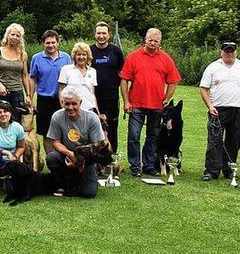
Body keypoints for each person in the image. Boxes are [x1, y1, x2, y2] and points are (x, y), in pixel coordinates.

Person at [120, 28, 181, 177]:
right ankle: (135, 166)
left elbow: (173, 81)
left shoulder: (166, 59)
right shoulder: (133, 57)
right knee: (134, 136)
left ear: (160, 42)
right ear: (145, 40)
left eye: (156, 41)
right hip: (136, 105)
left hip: (157, 106)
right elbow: (124, 80)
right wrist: (126, 101)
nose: (152, 43)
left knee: (153, 137)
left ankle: (148, 165)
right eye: (150, 40)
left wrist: (166, 99)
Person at [200, 41, 240, 181]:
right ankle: (211, 171)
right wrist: (210, 106)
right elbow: (203, 88)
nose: (229, 53)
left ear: (236, 52)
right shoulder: (213, 67)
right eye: (227, 51)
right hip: (217, 110)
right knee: (214, 141)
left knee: (234, 140)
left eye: (232, 51)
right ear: (221, 52)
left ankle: (229, 170)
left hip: (238, 109)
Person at [45, 88, 106, 198]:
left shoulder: (92, 118)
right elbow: (56, 143)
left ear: (80, 103)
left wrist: (80, 159)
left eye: (74, 104)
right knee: (51, 157)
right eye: (67, 104)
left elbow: (96, 144)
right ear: (62, 103)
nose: (70, 107)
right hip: (66, 155)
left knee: (89, 193)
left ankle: (81, 180)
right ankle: (62, 185)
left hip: (87, 157)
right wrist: (71, 155)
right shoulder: (57, 117)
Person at [29, 29, 72, 153]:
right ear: (43, 44)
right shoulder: (37, 58)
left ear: (58, 43)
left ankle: (63, 158)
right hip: (44, 100)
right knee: (47, 133)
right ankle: (50, 159)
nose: (51, 45)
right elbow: (33, 79)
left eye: (53, 42)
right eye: (48, 43)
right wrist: (30, 98)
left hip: (63, 101)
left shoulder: (66, 58)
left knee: (64, 131)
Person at [90, 21, 124, 153]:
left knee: (112, 129)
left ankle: (112, 160)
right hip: (93, 99)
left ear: (109, 35)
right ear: (95, 34)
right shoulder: (89, 51)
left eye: (104, 33)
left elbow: (123, 75)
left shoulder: (116, 51)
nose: (101, 36)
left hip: (111, 98)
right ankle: (95, 160)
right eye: (99, 33)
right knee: (94, 130)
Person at [0, 23, 31, 122]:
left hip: (17, 94)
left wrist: (28, 95)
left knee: (16, 123)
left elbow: (24, 75)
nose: (14, 37)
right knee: (0, 121)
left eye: (17, 35)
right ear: (7, 35)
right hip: (2, 93)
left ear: (20, 38)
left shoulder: (23, 55)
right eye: (12, 34)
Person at [58, 42, 99, 111]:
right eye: (78, 54)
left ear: (88, 56)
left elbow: (92, 93)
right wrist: (64, 107)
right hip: (72, 110)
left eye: (84, 54)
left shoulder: (92, 71)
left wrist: (97, 111)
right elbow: (61, 91)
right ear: (74, 56)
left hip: (89, 110)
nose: (81, 57)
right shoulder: (66, 69)